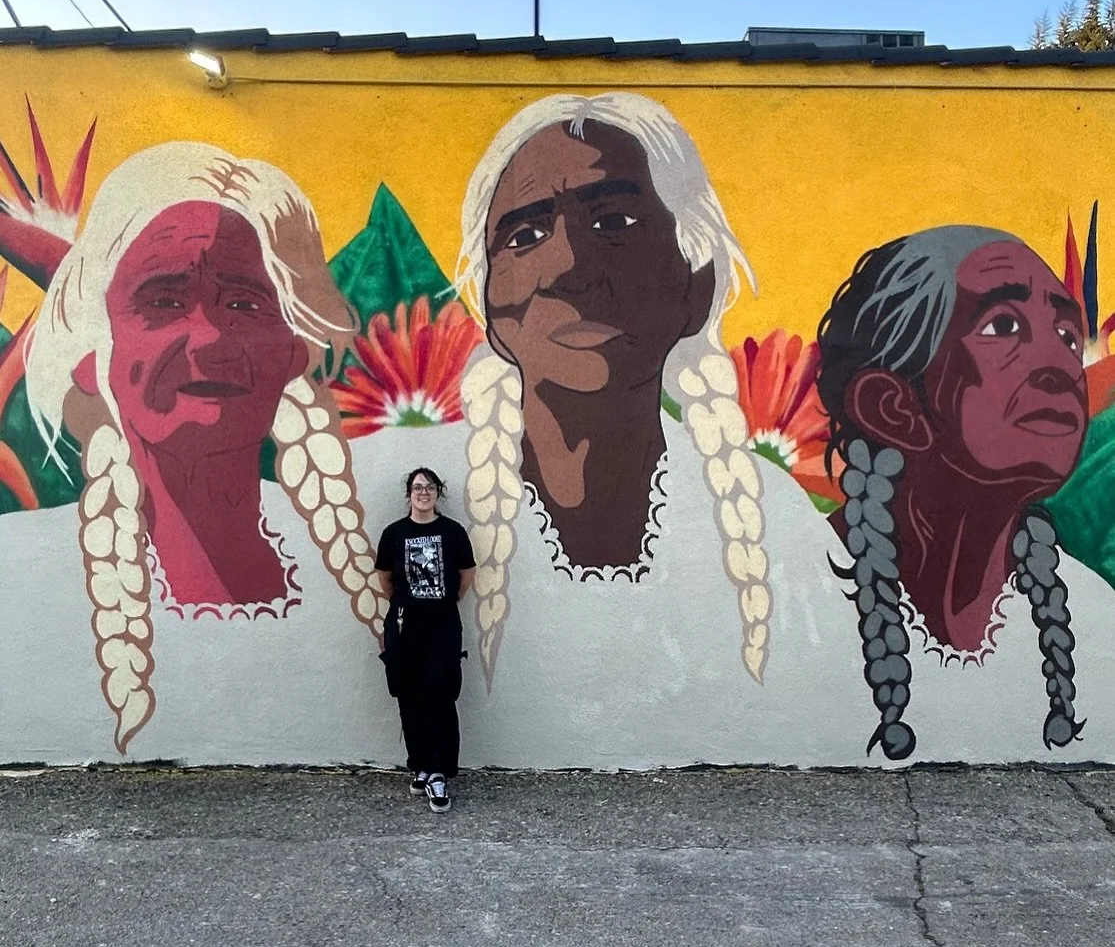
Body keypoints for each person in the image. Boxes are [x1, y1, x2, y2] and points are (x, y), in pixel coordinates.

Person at [3, 140, 391, 756]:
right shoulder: (21, 573)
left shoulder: (338, 560)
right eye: (163, 301)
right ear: (91, 357)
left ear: (293, 353)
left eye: (244, 302)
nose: (207, 337)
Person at [453, 92, 772, 688]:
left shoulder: (776, 524)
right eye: (524, 235)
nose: (569, 264)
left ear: (696, 284)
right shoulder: (425, 490)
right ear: (488, 304)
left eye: (615, 223)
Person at [817, 225, 1115, 761]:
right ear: (892, 407)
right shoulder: (788, 600)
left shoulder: (1093, 619)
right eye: (1003, 325)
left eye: (1069, 337)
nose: (1061, 366)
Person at [375, 468, 475, 812]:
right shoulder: (394, 534)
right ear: (408, 494)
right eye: (417, 487)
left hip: (443, 625)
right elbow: (386, 579)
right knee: (409, 695)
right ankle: (420, 764)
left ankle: (438, 773)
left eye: (429, 487)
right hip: (404, 625)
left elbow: (466, 575)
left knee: (440, 693)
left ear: (437, 493)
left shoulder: (452, 532)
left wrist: (442, 601)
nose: (423, 492)